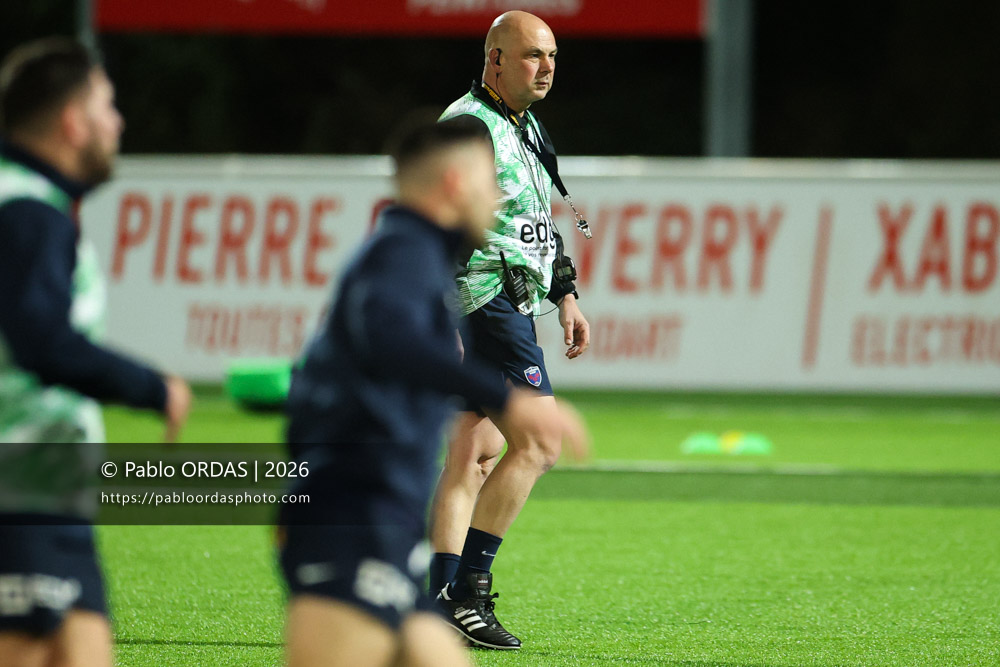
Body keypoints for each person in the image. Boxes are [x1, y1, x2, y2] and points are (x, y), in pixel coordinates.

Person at [278, 116, 587, 667]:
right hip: (351, 516)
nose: (498, 197)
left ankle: (452, 591)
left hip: (379, 517)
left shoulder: (410, 251)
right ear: (453, 184)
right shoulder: (405, 252)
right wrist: (507, 396)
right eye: (489, 182)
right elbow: (392, 340)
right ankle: (464, 588)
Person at [0, 38, 191, 667]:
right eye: (107, 107)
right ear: (72, 122)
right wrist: (151, 387)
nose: (120, 122)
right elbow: (41, 341)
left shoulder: (25, 200)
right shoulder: (28, 210)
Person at [428, 10, 590, 649]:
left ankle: (438, 599)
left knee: (472, 454)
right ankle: (468, 592)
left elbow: (535, 222)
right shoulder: (469, 128)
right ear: (494, 58)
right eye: (532, 56)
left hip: (506, 303)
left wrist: (567, 293)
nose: (546, 67)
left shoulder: (523, 125)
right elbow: (436, 222)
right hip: (483, 304)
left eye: (552, 55)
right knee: (541, 444)